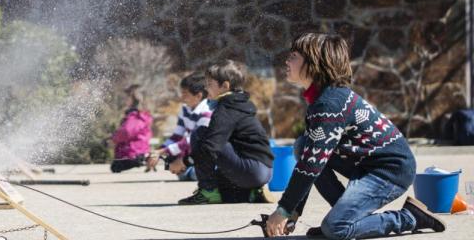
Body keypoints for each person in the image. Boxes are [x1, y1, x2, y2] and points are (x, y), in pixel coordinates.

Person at [264, 33, 445, 239]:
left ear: (314, 63)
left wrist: (283, 209)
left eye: (294, 56)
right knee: (303, 145)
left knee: (335, 229)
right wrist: (293, 212)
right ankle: (345, 218)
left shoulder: (329, 104)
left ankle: (410, 217)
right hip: (365, 165)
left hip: (389, 171)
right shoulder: (323, 98)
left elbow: (311, 165)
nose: (287, 60)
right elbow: (311, 158)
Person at [180, 60, 274, 204]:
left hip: (250, 170)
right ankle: (253, 193)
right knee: (218, 180)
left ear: (225, 86)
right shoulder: (241, 104)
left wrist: (185, 162)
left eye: (210, 85)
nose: (206, 88)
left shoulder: (226, 109)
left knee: (201, 134)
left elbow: (211, 146)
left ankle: (207, 192)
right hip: (265, 171)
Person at [147, 72, 213, 181]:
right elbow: (176, 136)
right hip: (193, 157)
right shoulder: (185, 109)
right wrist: (157, 152)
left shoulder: (207, 112)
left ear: (198, 96)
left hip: (208, 156)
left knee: (193, 174)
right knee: (182, 174)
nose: (182, 97)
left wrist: (162, 152)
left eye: (185, 94)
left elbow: (191, 140)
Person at [108, 84, 152, 173]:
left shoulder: (135, 116)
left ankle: (138, 160)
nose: (124, 100)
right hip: (136, 150)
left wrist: (113, 138)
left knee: (115, 167)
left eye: (127, 97)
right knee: (116, 165)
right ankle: (141, 159)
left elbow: (127, 132)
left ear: (133, 100)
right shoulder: (140, 115)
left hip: (133, 152)